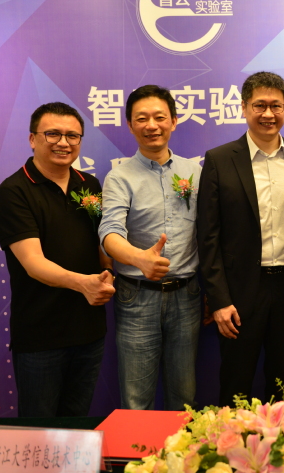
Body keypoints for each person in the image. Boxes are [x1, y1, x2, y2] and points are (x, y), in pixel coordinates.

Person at [197, 71, 284, 406]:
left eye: (276, 106)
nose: (269, 114)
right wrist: (219, 299)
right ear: (244, 108)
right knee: (235, 382)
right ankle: (230, 441)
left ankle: (280, 439)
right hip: (239, 291)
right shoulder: (220, 159)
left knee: (282, 382)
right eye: (260, 105)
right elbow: (208, 236)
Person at [0, 102, 114, 417]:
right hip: (41, 335)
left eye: (72, 136)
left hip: (89, 331)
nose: (64, 143)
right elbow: (33, 263)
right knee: (39, 431)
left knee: (76, 426)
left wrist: (110, 269)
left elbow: (100, 245)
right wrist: (84, 284)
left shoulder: (89, 185)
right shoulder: (14, 191)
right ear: (33, 139)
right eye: (53, 134)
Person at [99, 85, 202, 410]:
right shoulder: (119, 178)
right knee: (136, 401)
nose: (151, 125)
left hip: (187, 296)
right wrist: (139, 258)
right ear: (130, 125)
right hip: (137, 297)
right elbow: (109, 232)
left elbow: (211, 233)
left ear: (174, 121)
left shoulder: (195, 172)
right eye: (141, 118)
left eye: (159, 117)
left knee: (184, 399)